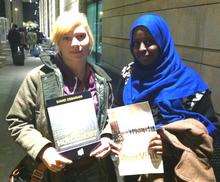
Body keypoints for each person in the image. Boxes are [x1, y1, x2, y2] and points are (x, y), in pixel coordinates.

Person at [6, 11, 117, 182]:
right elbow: (17, 121)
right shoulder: (38, 78)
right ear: (57, 42)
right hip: (54, 172)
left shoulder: (102, 79)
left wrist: (107, 136)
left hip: (95, 169)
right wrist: (43, 150)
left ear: (90, 40)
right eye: (66, 37)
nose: (75, 43)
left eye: (81, 36)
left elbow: (112, 115)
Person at [113, 13, 218, 181]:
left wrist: (171, 144)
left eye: (149, 42)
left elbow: (210, 130)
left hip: (177, 171)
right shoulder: (128, 77)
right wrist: (116, 138)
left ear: (162, 42)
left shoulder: (190, 83)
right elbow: (117, 110)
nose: (141, 49)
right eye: (135, 43)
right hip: (136, 169)